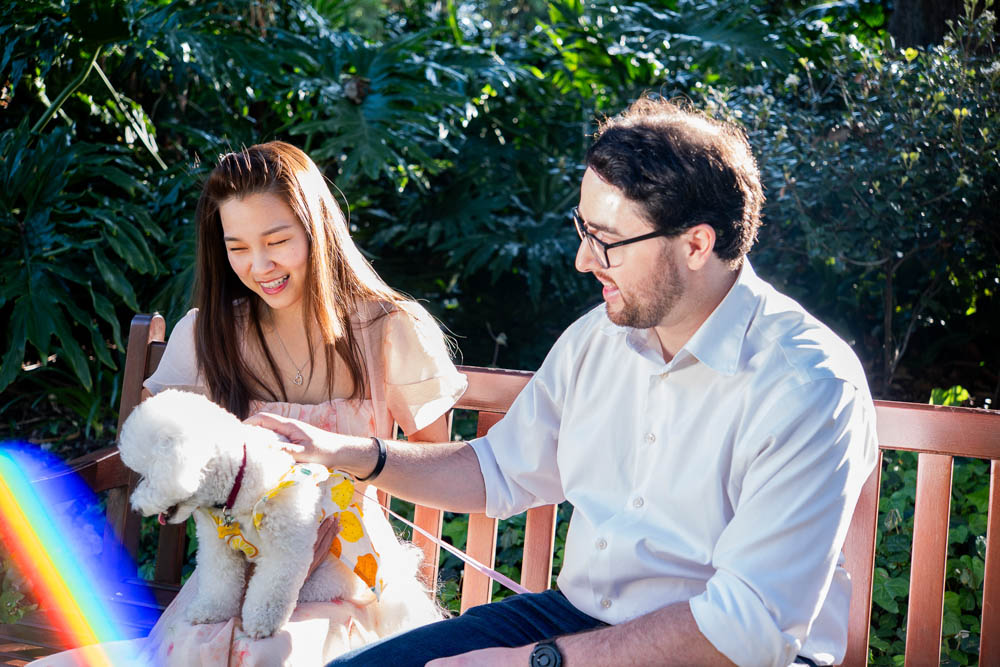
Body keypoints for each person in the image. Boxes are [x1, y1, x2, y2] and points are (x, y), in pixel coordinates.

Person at [249, 98, 878, 667]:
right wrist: (349, 454)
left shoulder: (807, 385)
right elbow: (499, 471)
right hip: (575, 623)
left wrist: (535, 664)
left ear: (696, 244)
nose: (583, 260)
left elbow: (749, 628)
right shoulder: (597, 339)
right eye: (583, 230)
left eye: (606, 241)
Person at [31, 141, 468, 667]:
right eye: (237, 247)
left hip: (350, 570)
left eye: (277, 240)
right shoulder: (210, 333)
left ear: (317, 230)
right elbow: (159, 450)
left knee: (269, 654)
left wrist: (344, 465)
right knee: (209, 648)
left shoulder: (388, 330)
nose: (259, 265)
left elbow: (441, 470)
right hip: (239, 563)